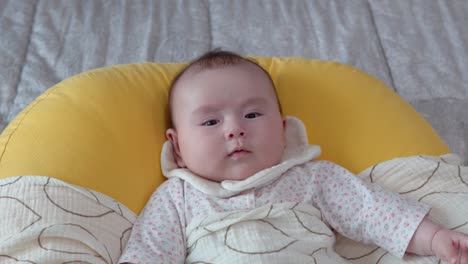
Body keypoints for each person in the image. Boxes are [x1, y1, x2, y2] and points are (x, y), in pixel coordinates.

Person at [119, 50, 468, 264]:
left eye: (252, 115)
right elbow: (150, 251)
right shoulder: (178, 198)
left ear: (283, 130)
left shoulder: (312, 178)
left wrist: (436, 238)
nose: (234, 130)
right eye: (211, 121)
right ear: (177, 146)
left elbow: (374, 212)